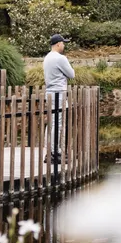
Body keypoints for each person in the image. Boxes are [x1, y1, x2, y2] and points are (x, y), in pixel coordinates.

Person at [43, 34, 74, 165]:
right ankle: (56, 152)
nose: (64, 45)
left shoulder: (47, 58)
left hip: (49, 93)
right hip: (59, 93)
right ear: (58, 44)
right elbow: (72, 74)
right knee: (58, 123)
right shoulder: (60, 58)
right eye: (63, 43)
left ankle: (50, 151)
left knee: (51, 122)